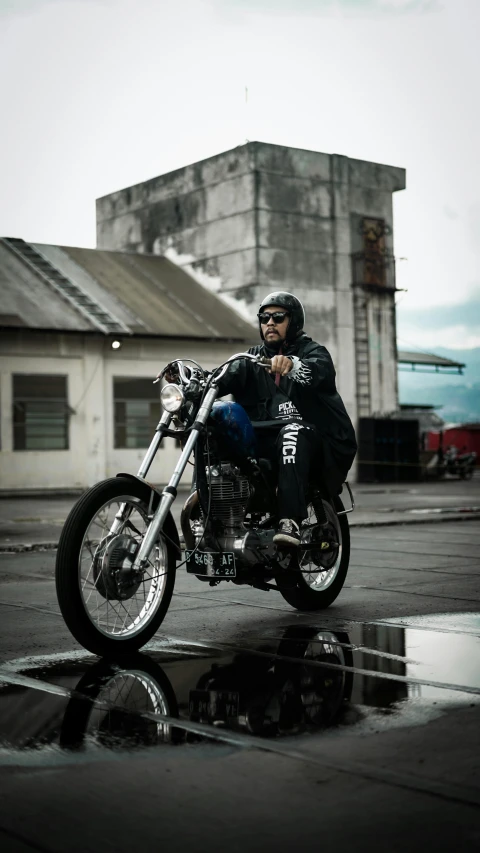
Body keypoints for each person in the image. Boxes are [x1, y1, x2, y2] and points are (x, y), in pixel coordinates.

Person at [216, 291, 357, 547]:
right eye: (264, 317)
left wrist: (291, 365)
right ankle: (209, 519)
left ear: (294, 321)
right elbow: (222, 376)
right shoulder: (250, 358)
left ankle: (289, 521)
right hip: (268, 439)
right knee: (212, 428)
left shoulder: (314, 352)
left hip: (321, 443)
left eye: (278, 317)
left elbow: (316, 372)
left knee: (293, 431)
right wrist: (196, 382)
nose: (270, 322)